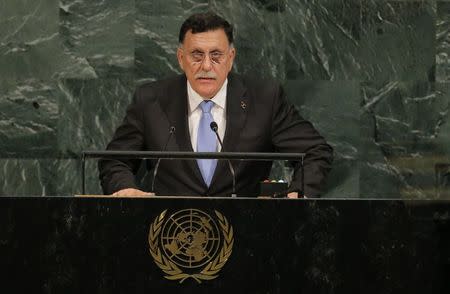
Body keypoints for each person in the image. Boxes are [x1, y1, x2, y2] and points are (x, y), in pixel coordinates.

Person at [98, 12, 333, 198]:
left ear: (230, 58)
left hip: (248, 234)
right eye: (197, 55)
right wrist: (126, 191)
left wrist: (298, 193)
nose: (207, 66)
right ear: (181, 58)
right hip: (169, 235)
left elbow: (314, 151)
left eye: (216, 55)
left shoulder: (264, 99)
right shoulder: (150, 100)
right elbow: (114, 160)